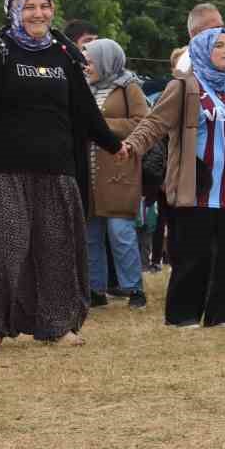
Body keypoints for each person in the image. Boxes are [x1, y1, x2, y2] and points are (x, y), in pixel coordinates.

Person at [0, 0, 122, 352]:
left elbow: (84, 110)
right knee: (5, 246)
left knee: (56, 247)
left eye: (44, 6)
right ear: (14, 11)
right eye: (29, 7)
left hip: (57, 167)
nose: (38, 14)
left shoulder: (64, 54)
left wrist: (112, 143)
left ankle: (58, 325)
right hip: (1, 168)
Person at [121, 26, 225, 328]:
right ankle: (182, 315)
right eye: (219, 46)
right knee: (193, 255)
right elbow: (154, 123)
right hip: (198, 184)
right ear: (201, 52)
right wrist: (131, 146)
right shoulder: (185, 87)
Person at [83, 38, 149, 310]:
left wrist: (99, 126)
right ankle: (95, 289)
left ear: (105, 60)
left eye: (90, 60)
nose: (86, 66)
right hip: (89, 171)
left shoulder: (128, 86)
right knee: (91, 232)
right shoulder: (83, 87)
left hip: (119, 168)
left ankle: (133, 288)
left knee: (120, 230)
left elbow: (142, 122)